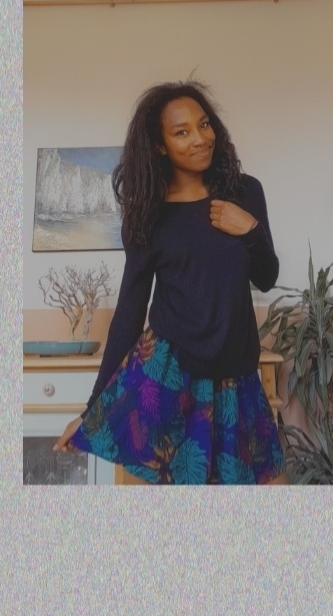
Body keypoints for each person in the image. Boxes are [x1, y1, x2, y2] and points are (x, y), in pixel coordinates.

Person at [53, 79, 288, 484]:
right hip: (169, 373)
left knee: (268, 487)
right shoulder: (148, 215)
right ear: (160, 146)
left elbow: (266, 278)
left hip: (237, 373)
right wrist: (92, 410)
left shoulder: (245, 192)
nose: (200, 138)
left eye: (204, 125)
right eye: (182, 132)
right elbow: (130, 309)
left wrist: (249, 228)